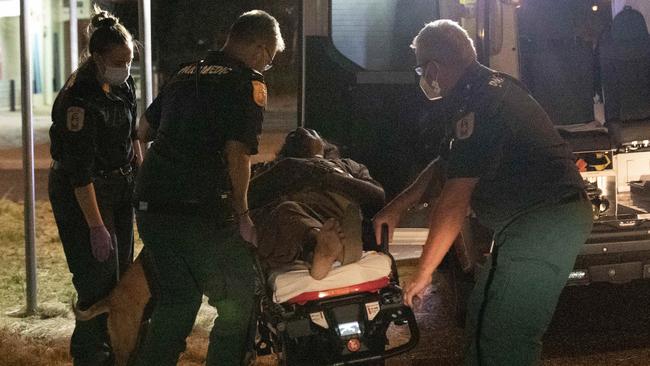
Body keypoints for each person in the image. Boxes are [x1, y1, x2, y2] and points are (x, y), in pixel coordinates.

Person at [373, 20, 593, 365]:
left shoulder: (483, 100)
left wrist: (423, 272)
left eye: (421, 68)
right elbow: (446, 163)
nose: (423, 78)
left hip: (543, 222)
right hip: (534, 223)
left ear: (432, 68)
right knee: (481, 320)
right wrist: (399, 206)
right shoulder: (477, 91)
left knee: (504, 339)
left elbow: (454, 198)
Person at [133, 10, 284, 365]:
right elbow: (237, 153)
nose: (267, 66)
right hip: (198, 212)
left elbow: (143, 129)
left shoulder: (187, 72)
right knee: (239, 302)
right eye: (271, 60)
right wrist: (244, 215)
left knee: (178, 299)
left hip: (150, 205)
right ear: (261, 49)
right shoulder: (246, 82)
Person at [48, 7, 140, 366]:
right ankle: (89, 354)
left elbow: (131, 136)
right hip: (82, 193)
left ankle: (118, 347)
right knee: (95, 280)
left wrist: (138, 172)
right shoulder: (79, 98)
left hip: (118, 186)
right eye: (119, 61)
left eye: (130, 60)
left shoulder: (122, 83)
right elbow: (79, 172)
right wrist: (96, 225)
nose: (127, 68)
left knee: (122, 275)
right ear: (98, 57)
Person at [249, 127, 385, 279]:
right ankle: (326, 249)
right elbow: (245, 199)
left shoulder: (350, 167)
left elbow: (377, 197)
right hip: (288, 230)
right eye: (294, 134)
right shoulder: (273, 168)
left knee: (333, 220)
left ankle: (327, 248)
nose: (300, 129)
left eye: (312, 131)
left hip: (335, 223)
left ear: (325, 145)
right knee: (287, 211)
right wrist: (289, 167)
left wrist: (322, 170)